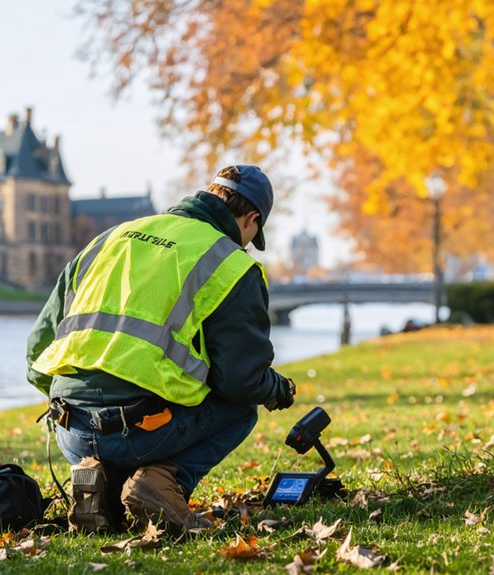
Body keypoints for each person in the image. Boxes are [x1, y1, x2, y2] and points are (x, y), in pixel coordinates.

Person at [26, 165, 296, 535]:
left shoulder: (110, 239)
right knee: (240, 410)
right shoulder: (231, 263)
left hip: (71, 429)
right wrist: (278, 389)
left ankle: (99, 480)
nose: (246, 245)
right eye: (252, 236)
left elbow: (37, 353)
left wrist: (76, 407)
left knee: (123, 415)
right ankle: (162, 481)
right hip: (146, 430)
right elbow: (241, 381)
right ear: (251, 219)